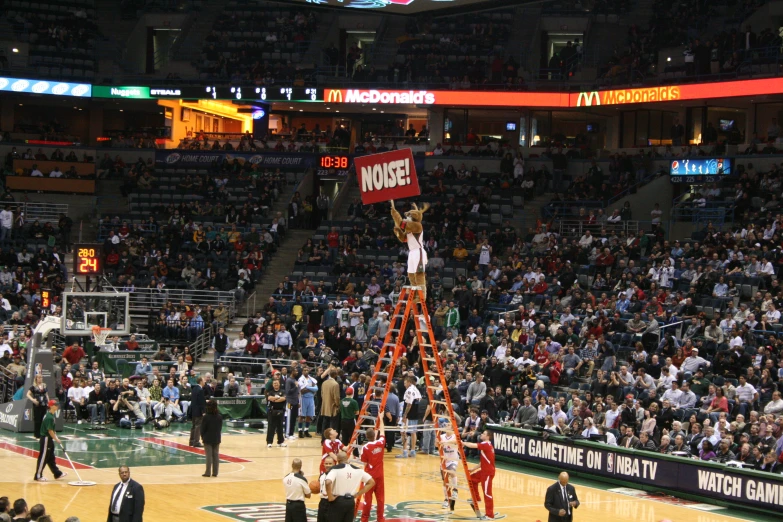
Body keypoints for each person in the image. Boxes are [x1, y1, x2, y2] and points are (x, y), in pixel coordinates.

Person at [325, 451, 376, 522]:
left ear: (338, 460)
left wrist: (330, 497)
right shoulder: (358, 470)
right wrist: (358, 494)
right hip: (350, 501)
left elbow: (327, 482)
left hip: (337, 501)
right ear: (347, 459)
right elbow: (372, 482)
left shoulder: (335, 469)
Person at [462, 430, 496, 518]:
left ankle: (489, 515)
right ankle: (476, 498)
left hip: (487, 472)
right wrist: (473, 469)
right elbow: (483, 462)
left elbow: (472, 445)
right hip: (484, 471)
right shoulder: (487, 445)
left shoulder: (486, 444)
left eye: (484, 434)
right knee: (472, 479)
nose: (482, 434)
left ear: (488, 437)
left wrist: (462, 442)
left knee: (487, 493)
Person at [359, 418, 386, 522]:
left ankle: (365, 518)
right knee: (380, 498)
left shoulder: (364, 447)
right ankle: (380, 518)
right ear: (375, 435)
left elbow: (364, 464)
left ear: (366, 436)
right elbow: (383, 432)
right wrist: (381, 418)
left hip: (369, 476)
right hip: (380, 475)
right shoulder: (380, 442)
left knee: (368, 499)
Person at [34, 400, 66, 482]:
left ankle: (57, 473)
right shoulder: (49, 417)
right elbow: (50, 431)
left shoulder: (50, 415)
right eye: (55, 405)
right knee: (43, 457)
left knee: (51, 457)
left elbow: (52, 430)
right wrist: (57, 439)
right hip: (46, 439)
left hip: (49, 439)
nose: (57, 406)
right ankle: (38, 476)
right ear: (51, 406)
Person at [436, 418, 460, 513]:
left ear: (452, 428)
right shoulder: (441, 436)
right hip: (444, 460)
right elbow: (436, 445)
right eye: (445, 425)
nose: (446, 426)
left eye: (448, 425)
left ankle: (455, 490)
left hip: (453, 460)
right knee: (444, 481)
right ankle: (446, 499)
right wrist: (437, 441)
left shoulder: (455, 436)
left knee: (452, 472)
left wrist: (444, 443)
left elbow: (454, 442)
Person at [397, 375, 421, 458]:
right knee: (413, 432)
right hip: (415, 414)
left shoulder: (409, 391)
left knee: (403, 432)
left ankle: (404, 452)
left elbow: (409, 404)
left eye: (405, 383)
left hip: (409, 415)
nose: (404, 384)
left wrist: (404, 415)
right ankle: (413, 451)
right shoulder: (416, 389)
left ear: (409, 382)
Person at [283, 458, 311, 522]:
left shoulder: (285, 478)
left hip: (288, 505)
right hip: (298, 506)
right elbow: (308, 495)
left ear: (292, 465)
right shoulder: (302, 479)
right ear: (301, 466)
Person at [201, 399, 222, 477]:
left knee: (209, 456)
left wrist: (203, 436)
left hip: (207, 438)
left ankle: (207, 472)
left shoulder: (206, 417)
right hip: (216, 438)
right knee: (216, 456)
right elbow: (220, 428)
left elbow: (202, 429)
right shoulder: (219, 416)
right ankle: (215, 472)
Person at [26, 374, 49, 438]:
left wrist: (48, 402)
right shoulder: (33, 386)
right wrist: (33, 400)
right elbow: (28, 394)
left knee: (43, 419)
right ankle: (37, 434)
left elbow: (46, 394)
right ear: (36, 378)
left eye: (41, 377)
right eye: (38, 377)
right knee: (37, 419)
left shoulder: (44, 385)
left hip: (44, 404)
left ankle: (42, 433)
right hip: (37, 404)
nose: (40, 379)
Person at [298, 366, 318, 438]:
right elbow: (302, 390)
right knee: (302, 415)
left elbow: (316, 388)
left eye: (307, 370)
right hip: (303, 398)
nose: (306, 371)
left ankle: (306, 431)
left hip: (311, 398)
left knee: (309, 415)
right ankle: (300, 431)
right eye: (304, 370)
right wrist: (312, 389)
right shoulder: (300, 379)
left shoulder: (311, 379)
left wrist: (308, 388)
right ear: (302, 371)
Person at [320, 369, 341, 439]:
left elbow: (322, 395)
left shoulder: (324, 383)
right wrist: (338, 405)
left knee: (324, 424)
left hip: (325, 406)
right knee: (333, 425)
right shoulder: (335, 384)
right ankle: (332, 440)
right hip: (333, 407)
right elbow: (337, 397)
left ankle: (323, 440)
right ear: (335, 375)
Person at [267, 379, 288, 448]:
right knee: (271, 427)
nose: (276, 384)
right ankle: (269, 442)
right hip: (272, 411)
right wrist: (277, 398)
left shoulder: (283, 391)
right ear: (273, 385)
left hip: (281, 411)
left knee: (280, 427)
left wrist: (276, 399)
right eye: (274, 383)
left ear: (279, 384)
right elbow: (269, 398)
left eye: (277, 383)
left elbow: (283, 398)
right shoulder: (271, 392)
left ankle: (280, 442)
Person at [190, 376, 207, 448]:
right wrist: (203, 411)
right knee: (198, 426)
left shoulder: (194, 388)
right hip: (198, 411)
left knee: (194, 426)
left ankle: (191, 441)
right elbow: (201, 402)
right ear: (200, 381)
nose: (205, 382)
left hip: (193, 410)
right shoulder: (200, 390)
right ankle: (196, 442)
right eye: (203, 380)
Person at [318, 456, 336, 522]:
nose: (328, 465)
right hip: (322, 502)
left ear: (334, 464)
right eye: (326, 463)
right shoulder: (321, 476)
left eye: (330, 463)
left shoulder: (336, 475)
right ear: (323, 464)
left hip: (332, 502)